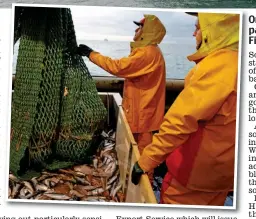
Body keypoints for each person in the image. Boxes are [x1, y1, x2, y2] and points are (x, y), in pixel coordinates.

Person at [131, 12, 239, 205]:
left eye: (198, 28)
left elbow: (180, 122)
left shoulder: (218, 66)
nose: (193, 34)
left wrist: (145, 161)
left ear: (214, 31)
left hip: (193, 177)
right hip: (223, 176)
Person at [76, 15, 167, 183]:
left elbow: (118, 67)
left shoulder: (147, 53)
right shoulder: (147, 51)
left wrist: (91, 54)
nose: (135, 29)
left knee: (142, 159)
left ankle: (143, 193)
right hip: (142, 114)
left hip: (143, 117)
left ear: (147, 32)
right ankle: (133, 183)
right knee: (137, 155)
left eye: (139, 27)